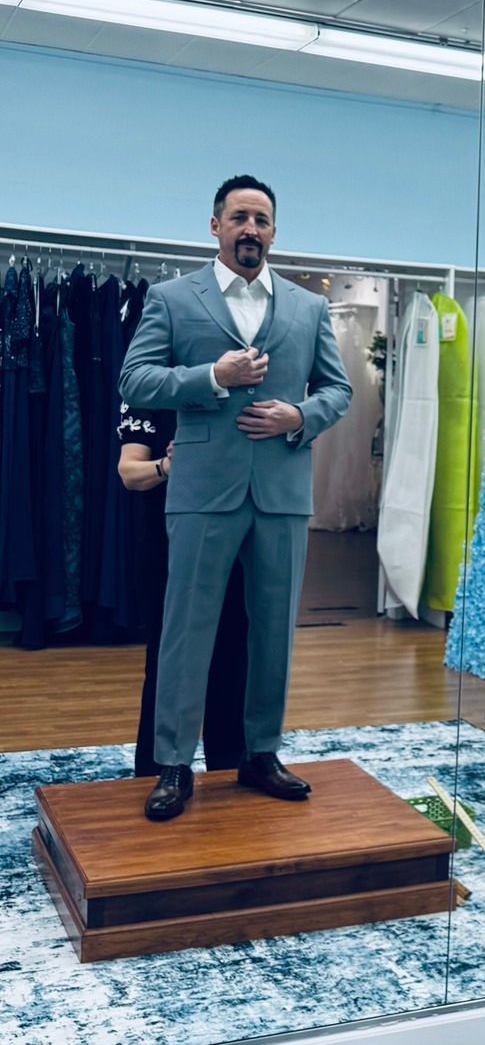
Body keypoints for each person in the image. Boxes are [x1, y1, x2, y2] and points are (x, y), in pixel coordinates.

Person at [118, 176, 351, 822]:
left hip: (281, 493)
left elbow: (339, 390)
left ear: (274, 232)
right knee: (185, 631)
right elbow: (135, 378)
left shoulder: (308, 309)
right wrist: (211, 377)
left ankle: (260, 754)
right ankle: (172, 764)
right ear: (216, 225)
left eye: (263, 219)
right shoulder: (170, 299)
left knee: (273, 632)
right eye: (240, 217)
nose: (252, 229)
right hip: (199, 490)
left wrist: (298, 417)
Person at [117, 405, 248, 779]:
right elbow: (129, 472)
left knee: (234, 651)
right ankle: (159, 770)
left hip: (235, 530)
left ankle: (230, 767)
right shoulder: (149, 387)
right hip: (166, 540)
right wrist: (167, 466)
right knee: (168, 656)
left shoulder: (234, 390)